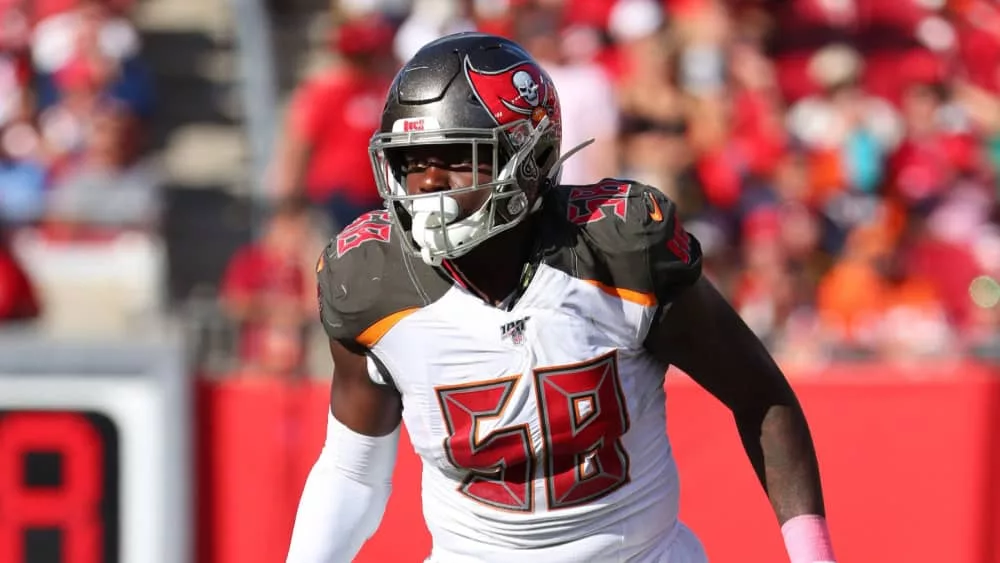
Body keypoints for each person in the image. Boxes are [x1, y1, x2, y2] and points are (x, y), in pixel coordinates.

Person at [287, 33, 835, 563]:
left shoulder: (617, 251)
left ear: (532, 158)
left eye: (456, 157)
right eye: (412, 161)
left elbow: (762, 398)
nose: (428, 183)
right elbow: (352, 472)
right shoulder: (372, 281)